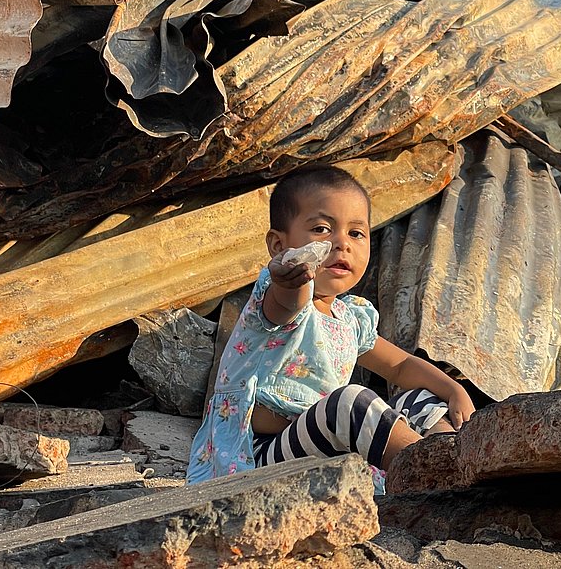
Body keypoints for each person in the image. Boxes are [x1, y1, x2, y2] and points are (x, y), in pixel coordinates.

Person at [187, 166, 476, 483]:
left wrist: (453, 389)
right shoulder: (277, 300)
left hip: (327, 451)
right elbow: (287, 302)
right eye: (323, 230)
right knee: (349, 403)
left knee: (420, 399)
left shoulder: (350, 318)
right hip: (259, 459)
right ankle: (439, 475)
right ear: (279, 246)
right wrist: (288, 279)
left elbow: (401, 366)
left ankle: (447, 464)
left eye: (356, 233)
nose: (342, 244)